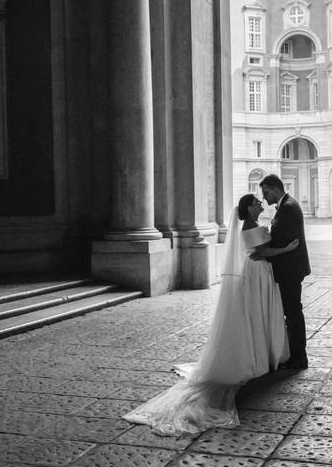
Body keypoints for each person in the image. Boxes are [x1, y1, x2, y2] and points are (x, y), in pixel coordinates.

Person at [123, 194, 299, 435]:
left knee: (257, 314)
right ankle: (261, 354)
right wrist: (287, 248)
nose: (260, 204)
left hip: (258, 273)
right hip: (257, 273)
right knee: (257, 314)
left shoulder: (252, 225)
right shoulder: (250, 226)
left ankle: (263, 352)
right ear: (248, 208)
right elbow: (263, 253)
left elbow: (259, 249)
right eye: (256, 202)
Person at [253, 174, 311, 369]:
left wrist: (263, 251)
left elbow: (282, 240)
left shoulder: (287, 208)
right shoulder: (287, 205)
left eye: (266, 192)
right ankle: (296, 355)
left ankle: (298, 357)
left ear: (275, 189)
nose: (265, 198)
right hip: (290, 267)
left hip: (290, 268)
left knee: (293, 312)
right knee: (292, 311)